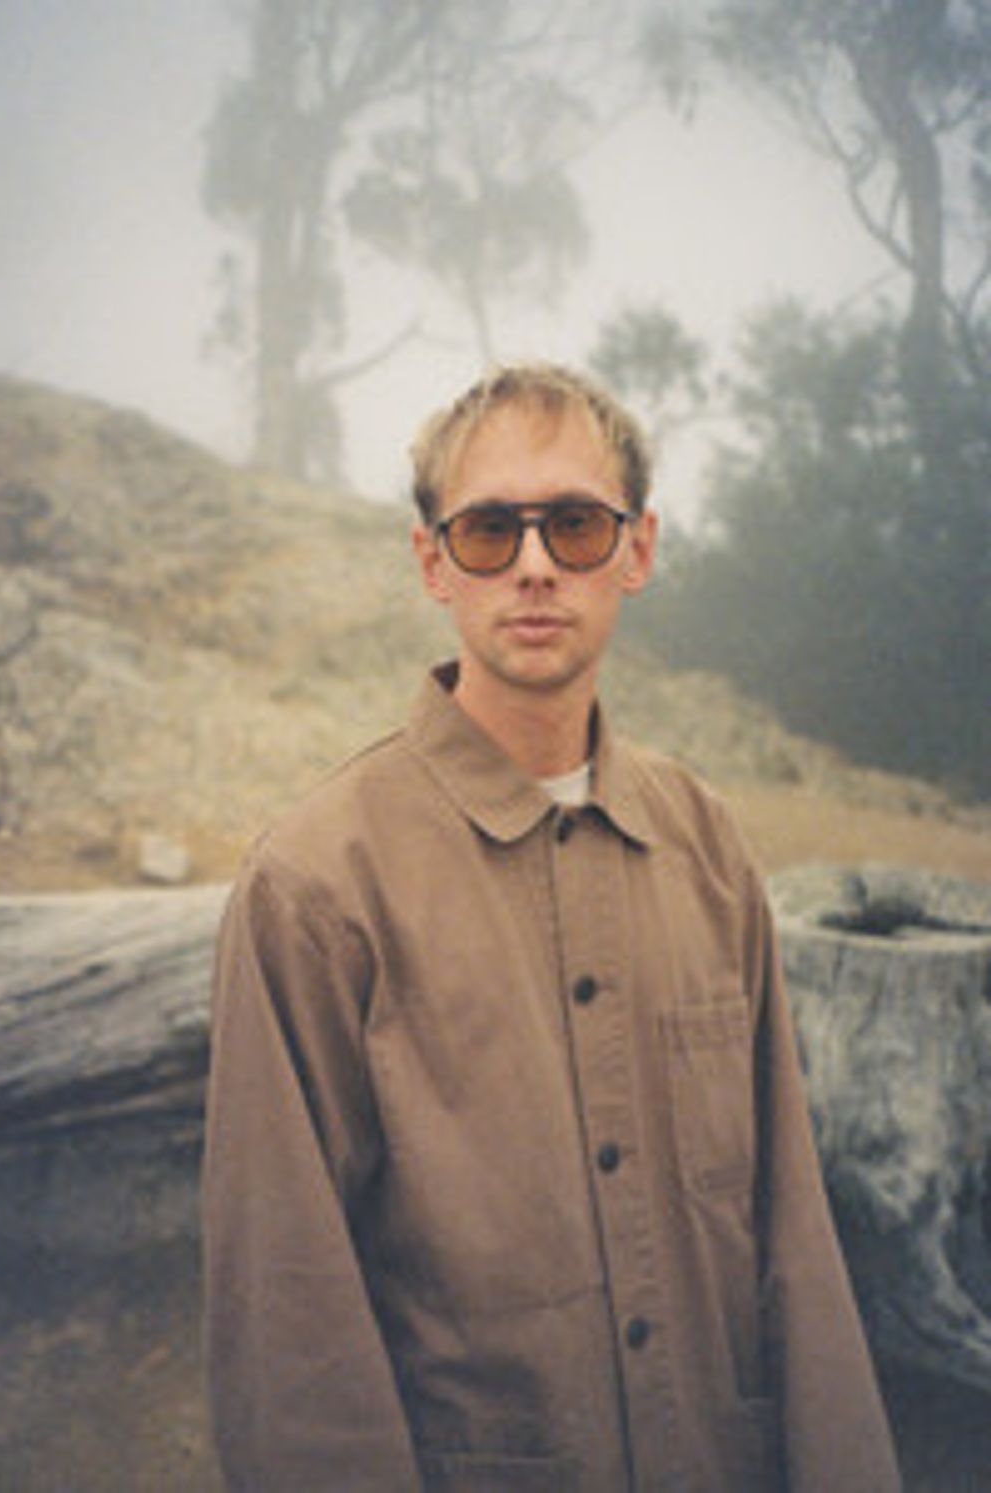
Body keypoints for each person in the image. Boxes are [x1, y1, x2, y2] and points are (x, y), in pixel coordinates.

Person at [202, 363, 901, 1492]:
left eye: (575, 524)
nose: (534, 565)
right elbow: (290, 1327)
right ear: (432, 561)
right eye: (489, 530)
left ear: (638, 547)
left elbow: (791, 1234)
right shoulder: (316, 885)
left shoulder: (707, 848)